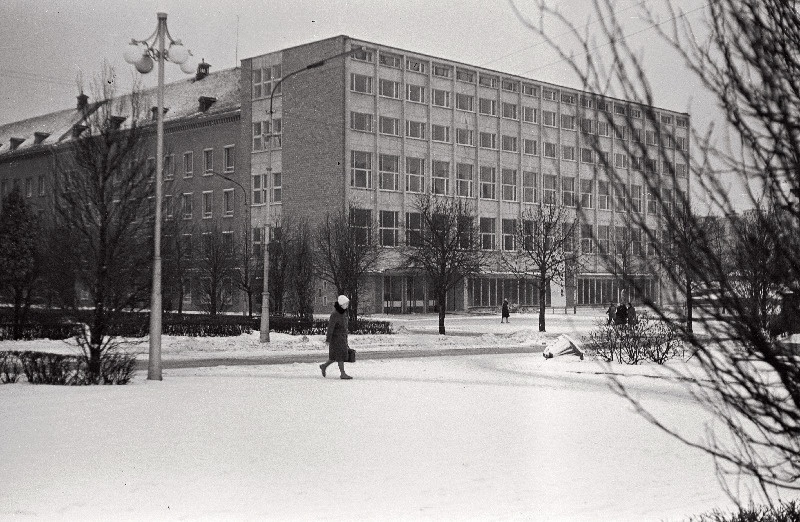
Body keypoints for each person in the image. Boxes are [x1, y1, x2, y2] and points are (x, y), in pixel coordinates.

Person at [320, 295, 353, 380]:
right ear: (341, 304)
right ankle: (343, 373)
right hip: (336, 339)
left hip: (342, 338)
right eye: (346, 304)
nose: (347, 305)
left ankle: (324, 366)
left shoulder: (343, 312)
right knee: (340, 356)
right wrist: (328, 339)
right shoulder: (335, 314)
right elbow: (330, 327)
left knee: (335, 356)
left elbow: (344, 326)